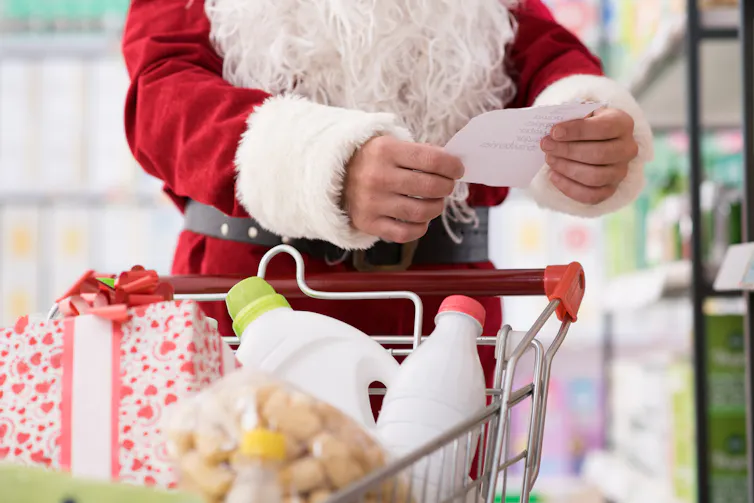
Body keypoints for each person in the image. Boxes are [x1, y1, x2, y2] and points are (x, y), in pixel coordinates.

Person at [121, 0, 652, 406]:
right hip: (250, 297)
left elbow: (544, 54)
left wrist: (583, 127)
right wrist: (319, 162)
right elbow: (161, 93)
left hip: (449, 313)